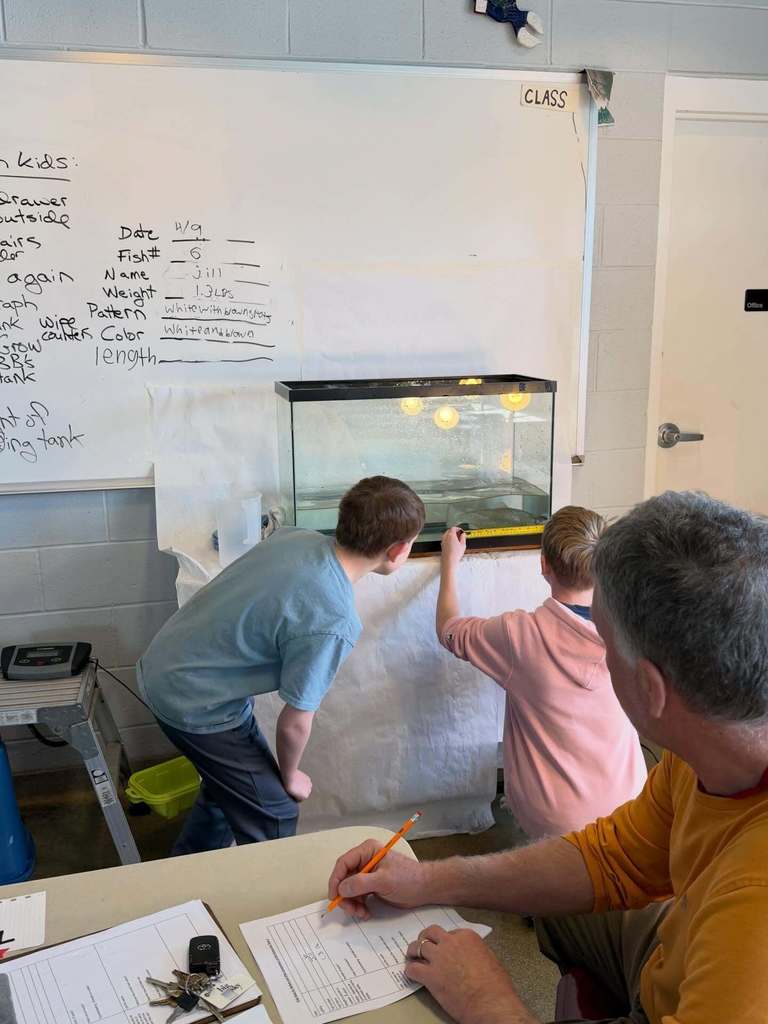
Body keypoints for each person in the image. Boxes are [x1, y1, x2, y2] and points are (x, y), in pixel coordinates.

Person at [329, 491, 768, 1024]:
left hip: (693, 984)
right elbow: (612, 858)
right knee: (560, 913)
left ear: (652, 689)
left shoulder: (753, 909)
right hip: (674, 947)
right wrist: (427, 879)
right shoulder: (700, 753)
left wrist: (487, 1000)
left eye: (602, 639)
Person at [137, 475, 425, 854]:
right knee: (274, 812)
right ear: (398, 550)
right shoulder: (333, 620)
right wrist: (289, 776)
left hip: (167, 664)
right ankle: (264, 902)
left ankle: (185, 874)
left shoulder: (295, 537)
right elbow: (294, 723)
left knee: (231, 790)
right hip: (193, 698)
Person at [436, 506, 645, 837]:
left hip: (555, 821)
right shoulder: (636, 627)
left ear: (544, 564)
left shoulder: (518, 635)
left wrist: (449, 563)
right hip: (631, 805)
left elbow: (449, 630)